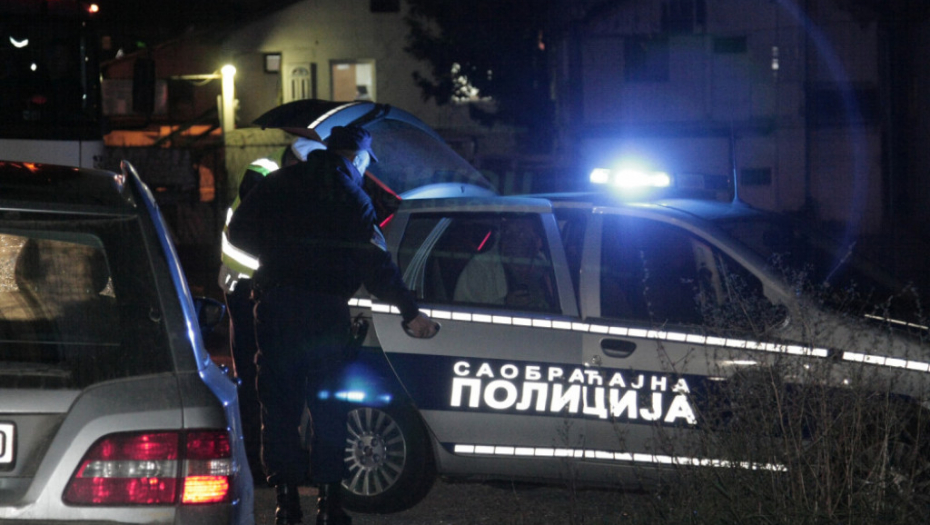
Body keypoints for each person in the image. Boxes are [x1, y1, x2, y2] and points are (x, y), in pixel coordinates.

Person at [228, 125, 437, 525]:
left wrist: (276, 255)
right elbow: (376, 266)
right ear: (357, 158)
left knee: (279, 407)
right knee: (329, 407)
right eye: (365, 162)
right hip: (326, 313)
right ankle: (328, 505)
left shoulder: (279, 183)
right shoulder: (354, 198)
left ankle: (286, 504)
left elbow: (238, 232)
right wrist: (409, 311)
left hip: (277, 307)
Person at [218, 133, 325, 481]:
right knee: (254, 375)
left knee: (274, 373)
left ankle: (273, 459)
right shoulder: (262, 173)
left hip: (268, 286)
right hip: (245, 286)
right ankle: (254, 459)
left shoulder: (287, 174)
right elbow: (256, 232)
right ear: (294, 161)